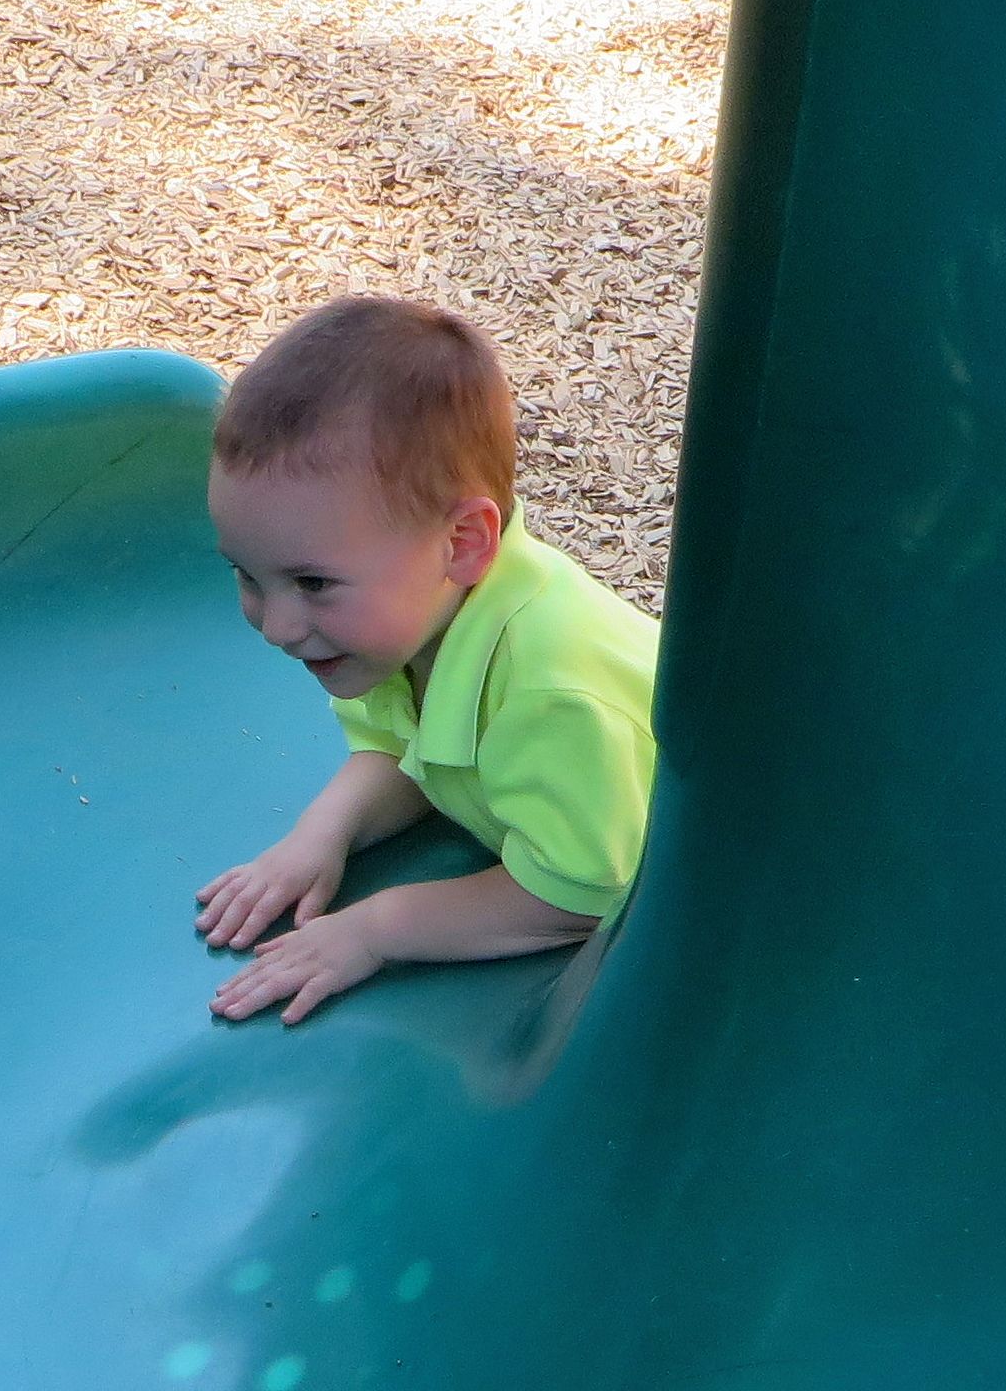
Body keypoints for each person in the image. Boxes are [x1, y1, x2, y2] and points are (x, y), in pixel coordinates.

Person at [197, 295, 659, 1023]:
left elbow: (579, 892)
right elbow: (407, 749)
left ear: (461, 544)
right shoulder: (413, 623)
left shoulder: (552, 695)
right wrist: (321, 836)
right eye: (247, 575)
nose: (275, 626)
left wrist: (374, 931)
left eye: (312, 583)